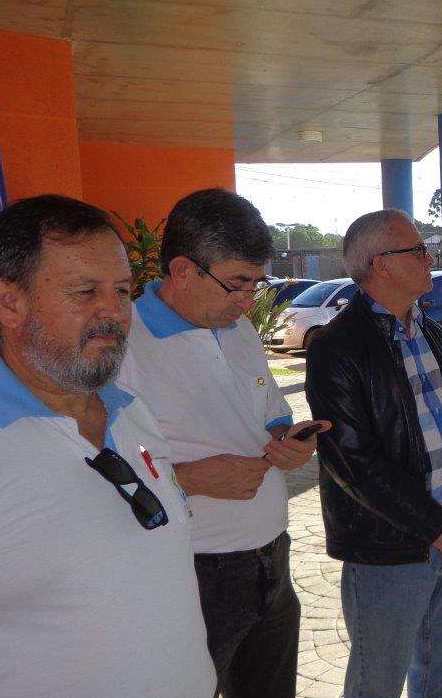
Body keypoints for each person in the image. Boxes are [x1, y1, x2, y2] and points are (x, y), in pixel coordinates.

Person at [0, 195, 214, 698]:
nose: (115, 313)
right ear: (7, 301)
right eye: (85, 291)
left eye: (122, 290)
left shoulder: (131, 410)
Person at [116, 188, 324, 698]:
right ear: (183, 270)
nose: (248, 300)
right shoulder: (121, 344)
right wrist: (191, 479)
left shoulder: (237, 328)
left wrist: (287, 442)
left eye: (256, 283)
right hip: (194, 573)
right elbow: (93, 474)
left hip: (272, 559)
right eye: (237, 284)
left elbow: (270, 415)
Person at [305, 209, 442, 698]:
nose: (430, 258)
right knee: (377, 683)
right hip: (387, 549)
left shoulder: (430, 332)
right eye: (419, 250)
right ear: (381, 264)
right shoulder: (337, 347)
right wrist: (436, 526)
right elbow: (352, 462)